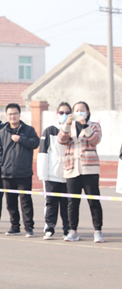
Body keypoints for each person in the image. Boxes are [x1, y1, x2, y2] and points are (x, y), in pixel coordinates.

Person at [58, 101, 103, 242]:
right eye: (76, 110)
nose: (79, 112)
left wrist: (85, 126)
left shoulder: (94, 125)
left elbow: (95, 140)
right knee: (72, 203)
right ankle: (73, 231)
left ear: (87, 112)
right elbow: (61, 140)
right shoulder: (68, 126)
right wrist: (67, 124)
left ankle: (98, 231)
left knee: (94, 201)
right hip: (72, 169)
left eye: (81, 110)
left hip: (89, 169)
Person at [0, 103, 39, 237]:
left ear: (19, 114)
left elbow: (35, 143)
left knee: (26, 201)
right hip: (7, 173)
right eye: (10, 114)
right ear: (6, 115)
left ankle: (29, 227)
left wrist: (21, 139)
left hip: (23, 173)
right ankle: (15, 226)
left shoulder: (28, 130)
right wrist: (2, 164)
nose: (12, 116)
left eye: (15, 113)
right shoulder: (2, 132)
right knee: (11, 202)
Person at [37, 103, 70, 240]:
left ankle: (68, 230)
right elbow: (43, 153)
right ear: (57, 114)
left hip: (68, 175)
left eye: (67, 112)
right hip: (52, 175)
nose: (64, 115)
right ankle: (49, 228)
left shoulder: (73, 130)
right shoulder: (49, 130)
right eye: (61, 112)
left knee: (67, 205)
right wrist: (43, 174)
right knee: (51, 203)